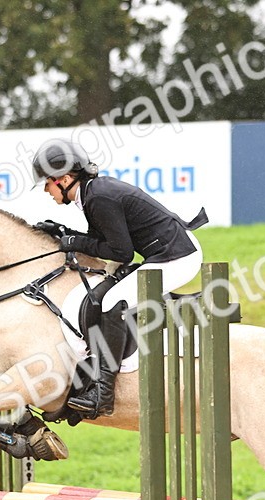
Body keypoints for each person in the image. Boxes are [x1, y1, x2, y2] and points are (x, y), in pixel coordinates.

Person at [30, 138, 207, 418]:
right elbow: (104, 241)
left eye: (47, 183)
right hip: (162, 253)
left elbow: (120, 252)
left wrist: (72, 241)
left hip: (177, 256)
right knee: (110, 293)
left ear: (63, 179)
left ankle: (103, 392)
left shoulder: (97, 197)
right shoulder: (91, 194)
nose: (45, 190)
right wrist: (64, 233)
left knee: (113, 300)